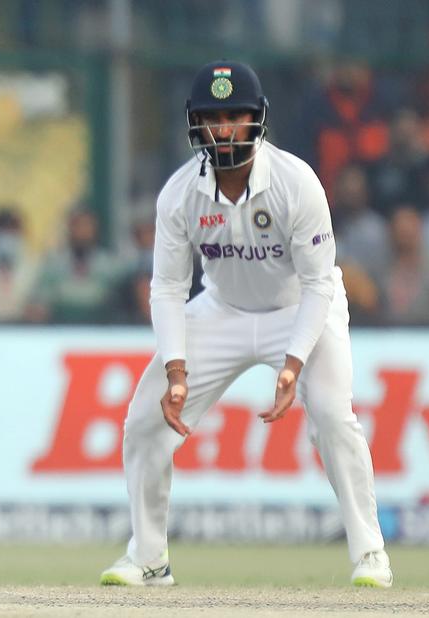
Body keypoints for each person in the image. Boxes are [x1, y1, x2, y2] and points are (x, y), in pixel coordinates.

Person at [99, 61, 392, 588]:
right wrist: (177, 367)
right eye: (214, 118)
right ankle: (149, 559)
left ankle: (370, 554)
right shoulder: (179, 194)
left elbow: (321, 283)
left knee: (330, 414)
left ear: (257, 120)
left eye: (236, 116)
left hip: (300, 308)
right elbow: (167, 288)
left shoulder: (296, 182)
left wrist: (293, 364)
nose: (225, 129)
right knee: (144, 421)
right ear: (196, 124)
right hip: (222, 311)